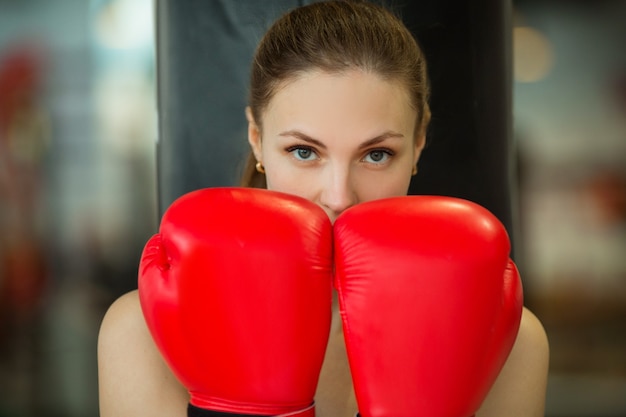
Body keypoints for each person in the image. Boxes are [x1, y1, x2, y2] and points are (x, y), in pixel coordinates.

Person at [97, 1, 550, 417]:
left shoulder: (506, 340)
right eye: (303, 151)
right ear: (257, 139)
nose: (338, 197)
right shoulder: (143, 334)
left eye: (376, 155)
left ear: (417, 144)